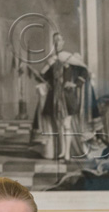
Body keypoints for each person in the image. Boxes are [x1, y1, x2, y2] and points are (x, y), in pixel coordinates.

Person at [29, 31, 98, 162]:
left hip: (68, 97)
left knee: (66, 125)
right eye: (55, 40)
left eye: (59, 40)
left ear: (63, 42)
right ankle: (62, 151)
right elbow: (44, 78)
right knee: (59, 126)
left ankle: (67, 154)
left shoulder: (68, 57)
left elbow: (84, 70)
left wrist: (75, 84)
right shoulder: (52, 60)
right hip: (55, 97)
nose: (57, 43)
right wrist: (36, 73)